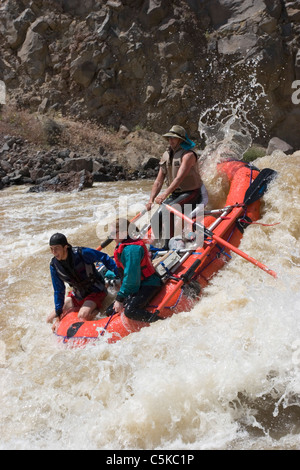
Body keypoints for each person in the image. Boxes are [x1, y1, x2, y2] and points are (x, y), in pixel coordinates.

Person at [146, 125, 208, 245]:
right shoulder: (166, 155)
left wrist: (164, 195)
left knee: (168, 210)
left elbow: (179, 178)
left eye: (173, 138)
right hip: (176, 194)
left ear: (181, 140)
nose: (170, 140)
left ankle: (168, 245)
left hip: (192, 193)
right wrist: (151, 200)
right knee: (155, 218)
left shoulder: (188, 155)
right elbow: (158, 181)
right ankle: (157, 244)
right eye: (169, 138)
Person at [47, 232, 119, 330]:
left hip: (96, 290)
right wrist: (59, 312)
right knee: (50, 318)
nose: (54, 252)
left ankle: (99, 310)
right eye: (51, 249)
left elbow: (104, 258)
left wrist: (119, 273)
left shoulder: (82, 253)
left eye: (56, 248)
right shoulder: (54, 266)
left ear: (65, 247)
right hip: (78, 294)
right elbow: (58, 290)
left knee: (82, 316)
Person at [106, 218, 162, 323]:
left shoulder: (132, 250)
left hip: (149, 283)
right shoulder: (123, 245)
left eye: (114, 233)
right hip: (138, 283)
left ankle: (162, 321)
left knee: (130, 311)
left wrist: (120, 298)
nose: (111, 236)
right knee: (109, 311)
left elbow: (131, 279)